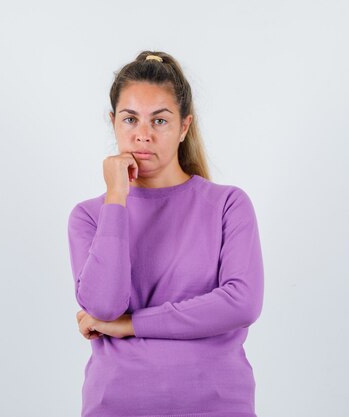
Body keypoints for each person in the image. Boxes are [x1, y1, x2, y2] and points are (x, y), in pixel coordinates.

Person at [67, 50, 264, 417]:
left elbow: (241, 302)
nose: (142, 135)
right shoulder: (90, 216)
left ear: (184, 127)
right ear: (113, 122)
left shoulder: (227, 205)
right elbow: (104, 305)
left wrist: (130, 325)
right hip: (117, 406)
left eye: (159, 121)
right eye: (130, 119)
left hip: (216, 406)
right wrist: (116, 198)